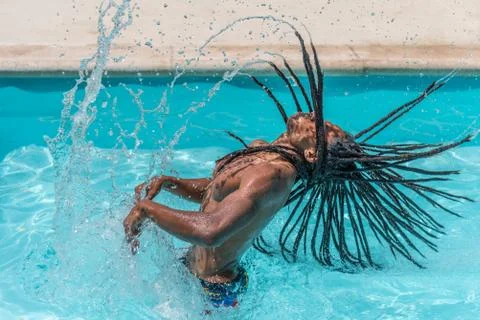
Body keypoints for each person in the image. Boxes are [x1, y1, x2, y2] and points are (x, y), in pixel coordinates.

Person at [123, 30, 472, 308]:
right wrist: (171, 183)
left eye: (325, 132)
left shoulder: (270, 177)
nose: (317, 120)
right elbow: (218, 193)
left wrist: (148, 210)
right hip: (190, 271)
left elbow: (212, 230)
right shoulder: (264, 154)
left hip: (212, 294)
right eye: (328, 123)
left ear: (310, 155)